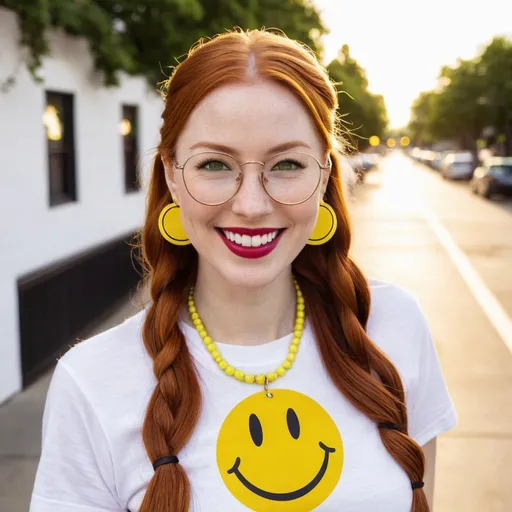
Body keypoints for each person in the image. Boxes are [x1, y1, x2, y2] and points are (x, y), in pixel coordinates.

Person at [30, 30, 457, 512]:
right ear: (172, 173)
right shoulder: (91, 382)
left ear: (324, 174)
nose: (251, 205)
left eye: (287, 164)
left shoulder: (395, 327)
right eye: (214, 163)